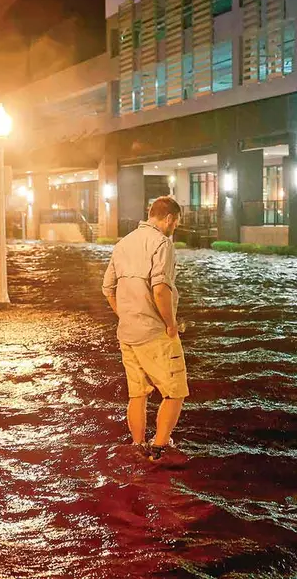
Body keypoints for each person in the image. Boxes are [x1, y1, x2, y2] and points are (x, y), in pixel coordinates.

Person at [102, 196, 188, 461]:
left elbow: (107, 289)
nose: (175, 228)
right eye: (176, 223)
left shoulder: (123, 243)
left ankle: (138, 445)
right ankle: (159, 448)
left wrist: (126, 315)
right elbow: (161, 290)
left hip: (127, 333)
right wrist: (171, 325)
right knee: (175, 391)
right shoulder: (162, 243)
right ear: (170, 218)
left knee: (137, 394)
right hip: (154, 333)